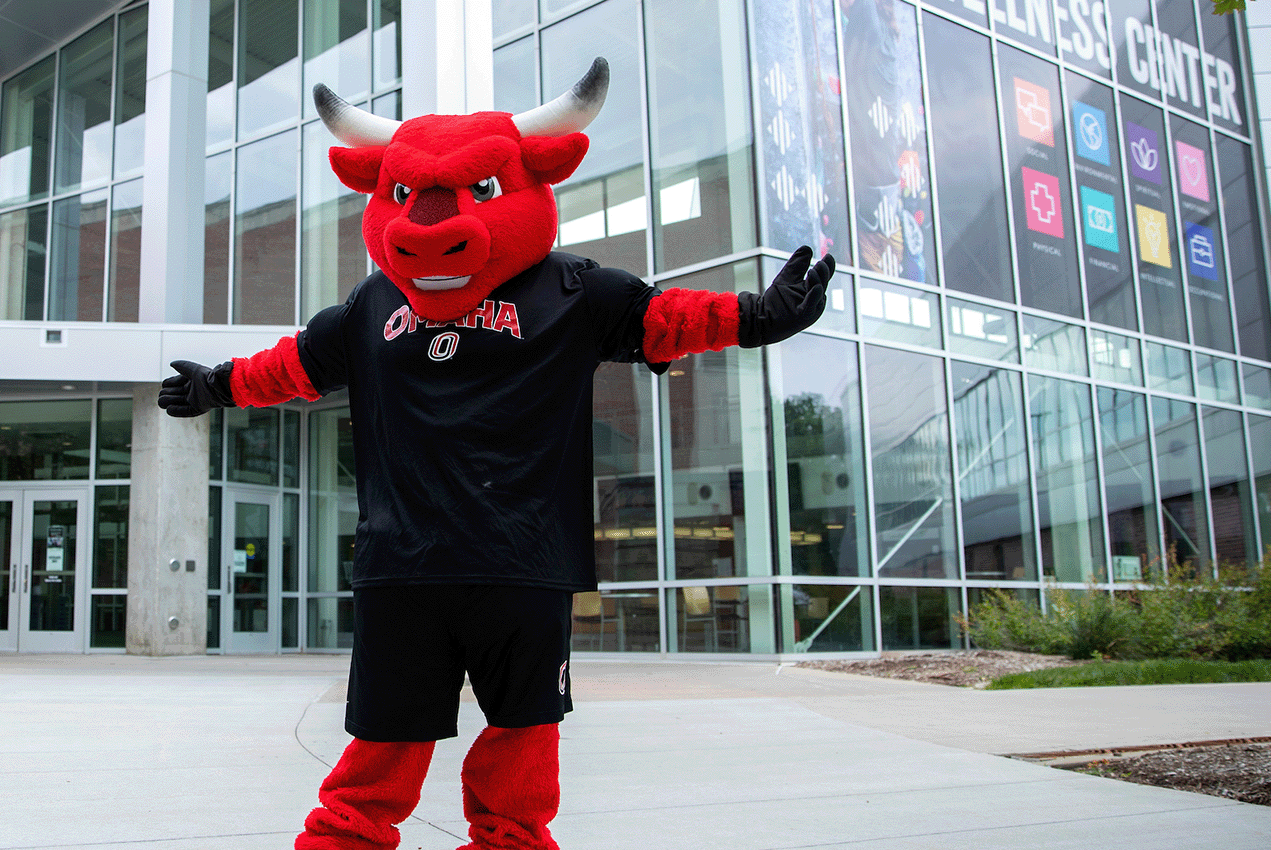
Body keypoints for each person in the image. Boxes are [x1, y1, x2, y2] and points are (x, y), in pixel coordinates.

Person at [158, 59, 835, 850]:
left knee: (523, 737)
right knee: (384, 740)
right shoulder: (373, 305)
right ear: (382, 195)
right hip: (403, 567)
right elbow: (296, 366)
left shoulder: (573, 290)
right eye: (407, 197)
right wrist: (218, 385)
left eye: (476, 192)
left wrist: (757, 316)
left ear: (526, 183)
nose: (431, 222)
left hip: (524, 566)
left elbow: (668, 317)